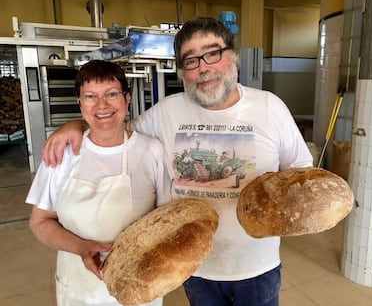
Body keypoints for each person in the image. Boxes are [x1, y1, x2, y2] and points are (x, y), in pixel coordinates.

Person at [42, 17, 313, 306]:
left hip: (255, 265)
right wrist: (73, 126)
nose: (203, 67)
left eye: (212, 53)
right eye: (191, 60)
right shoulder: (169, 110)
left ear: (232, 56)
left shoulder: (269, 106)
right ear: (183, 72)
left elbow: (300, 174)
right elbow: (113, 128)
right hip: (193, 265)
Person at [27, 60, 170, 306]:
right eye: (91, 96)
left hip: (138, 288)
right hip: (78, 288)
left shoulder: (151, 150)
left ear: (127, 99)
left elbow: (167, 220)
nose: (102, 105)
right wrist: (81, 247)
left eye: (112, 94)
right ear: (80, 104)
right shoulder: (63, 153)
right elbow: (39, 222)